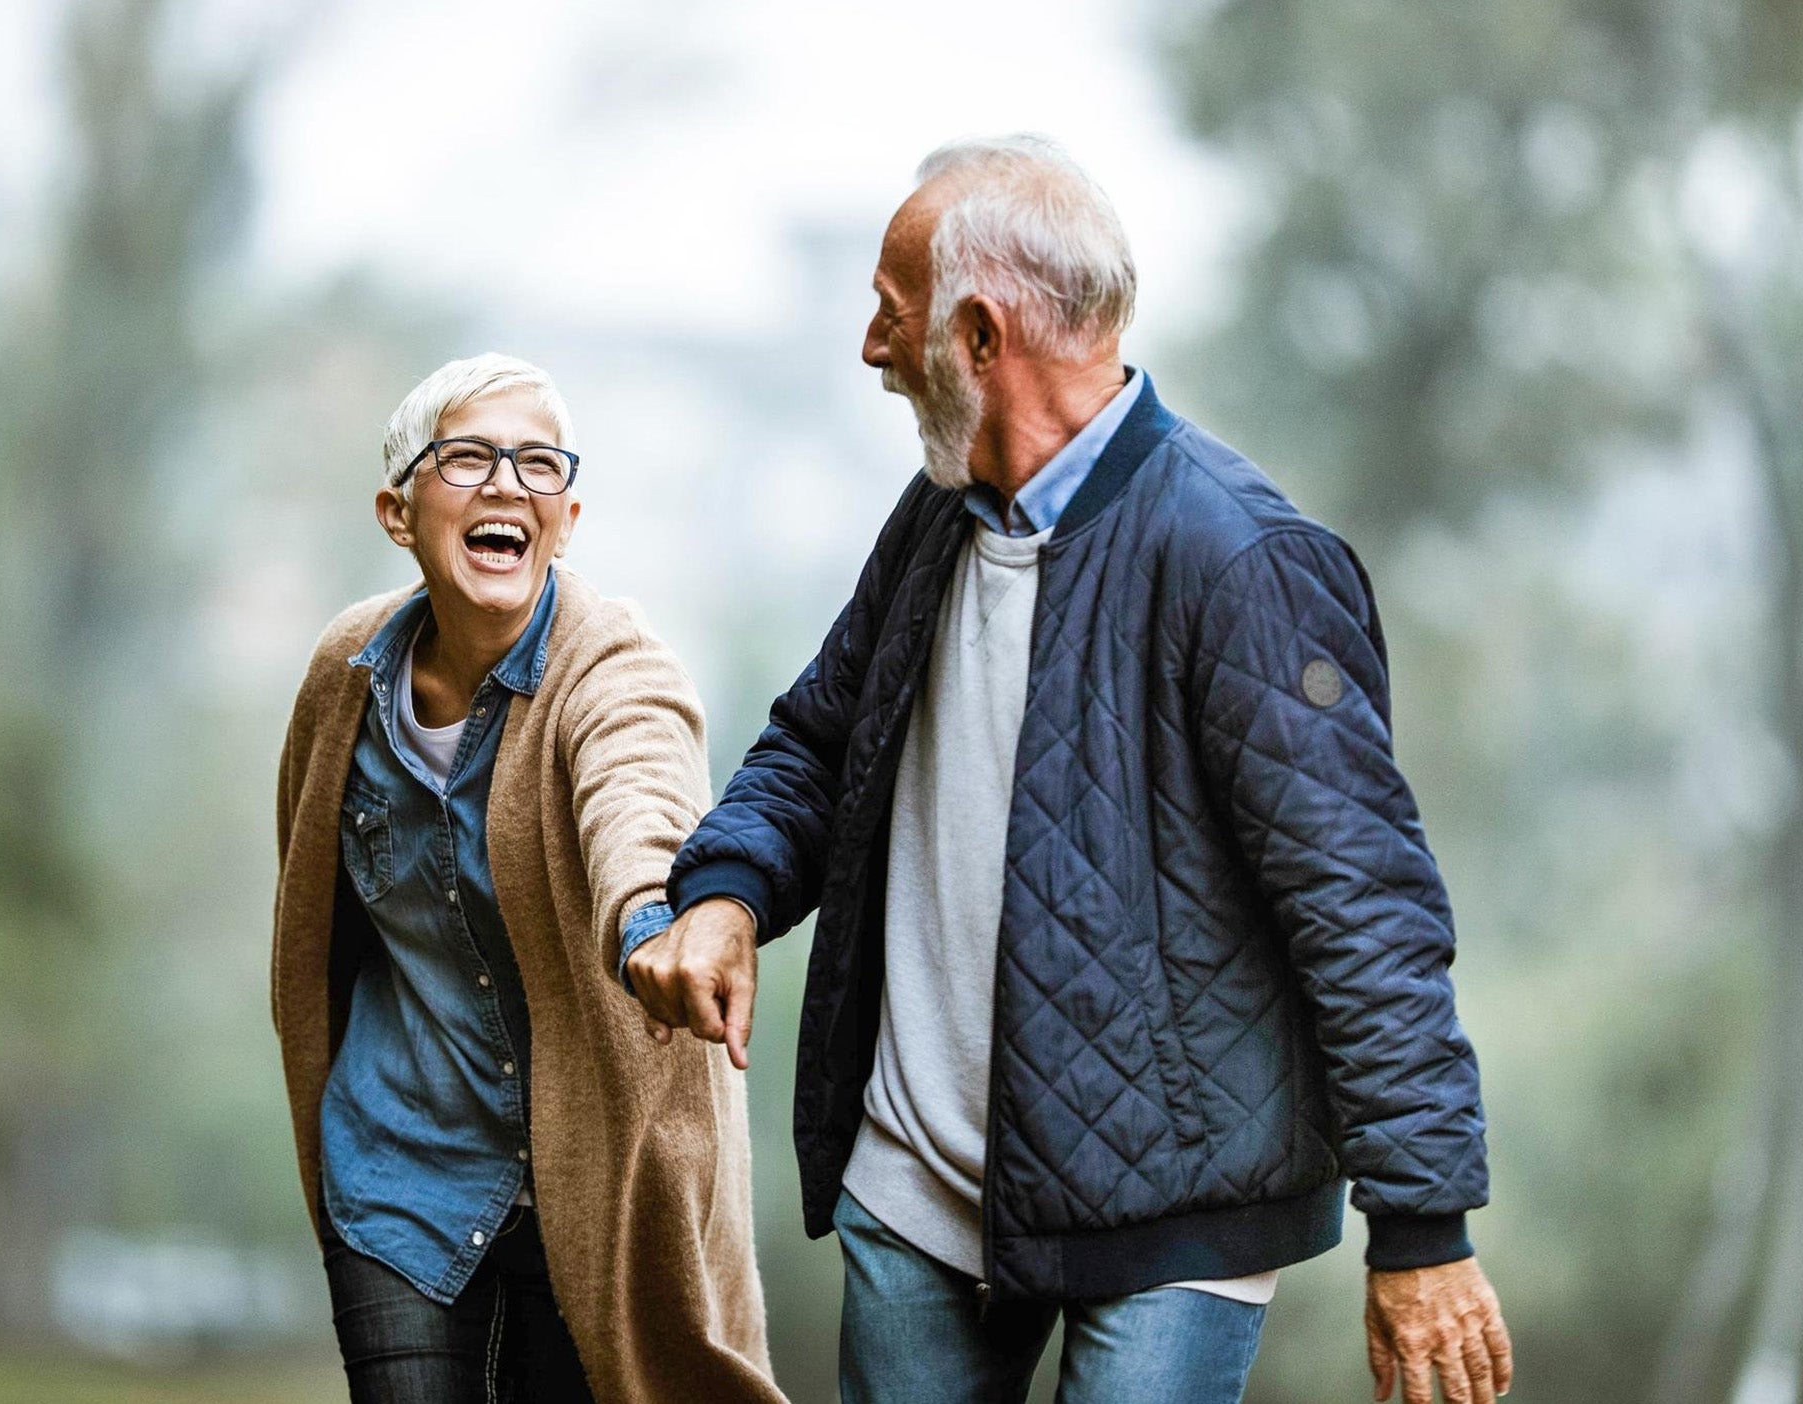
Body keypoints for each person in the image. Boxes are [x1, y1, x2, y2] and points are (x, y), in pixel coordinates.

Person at [624, 136, 1515, 1404]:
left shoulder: (1243, 560)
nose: (873, 352)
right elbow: (823, 742)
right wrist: (725, 897)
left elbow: (1363, 912)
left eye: (891, 317)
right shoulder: (937, 515)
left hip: (1173, 1225)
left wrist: (1425, 1230)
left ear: (981, 336)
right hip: (914, 1193)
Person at [269, 353, 784, 1403]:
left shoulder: (615, 665)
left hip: (587, 1177)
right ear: (398, 510)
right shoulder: (345, 677)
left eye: (538, 465)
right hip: (396, 1159)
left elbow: (637, 796)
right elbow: (311, 913)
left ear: (568, 513)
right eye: (469, 458)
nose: (508, 485)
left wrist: (651, 917)